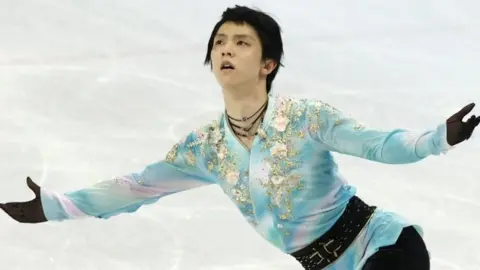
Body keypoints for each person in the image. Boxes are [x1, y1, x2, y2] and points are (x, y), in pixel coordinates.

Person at [1, 5, 479, 270]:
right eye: (219, 42)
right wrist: (55, 207)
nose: (227, 49)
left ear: (268, 64)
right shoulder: (206, 149)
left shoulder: (304, 117)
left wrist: (439, 138)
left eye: (242, 42)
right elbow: (138, 186)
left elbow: (377, 144)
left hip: (385, 247)